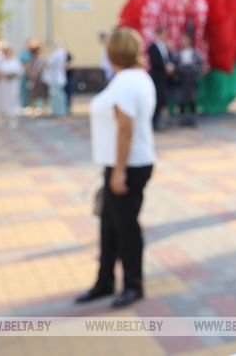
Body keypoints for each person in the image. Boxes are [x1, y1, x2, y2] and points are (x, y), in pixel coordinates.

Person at [75, 27, 156, 309]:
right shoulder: (134, 77)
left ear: (112, 52)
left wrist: (119, 171)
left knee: (125, 227)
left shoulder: (126, 82)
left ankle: (133, 285)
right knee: (109, 225)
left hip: (127, 166)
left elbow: (125, 127)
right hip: (127, 163)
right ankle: (105, 281)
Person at [171, 33, 204, 127]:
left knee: (192, 100)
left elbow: (200, 65)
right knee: (181, 100)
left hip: (192, 79)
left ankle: (192, 120)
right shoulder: (177, 54)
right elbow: (173, 65)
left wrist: (193, 69)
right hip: (181, 80)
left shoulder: (195, 53)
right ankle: (181, 120)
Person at [146, 27, 174, 131]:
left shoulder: (164, 46)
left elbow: (167, 58)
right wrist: (164, 67)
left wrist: (170, 66)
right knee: (157, 98)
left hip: (164, 77)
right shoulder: (152, 46)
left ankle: (158, 121)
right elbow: (154, 61)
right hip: (157, 76)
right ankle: (153, 122)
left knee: (163, 99)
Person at [0, 45, 24, 128]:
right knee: (4, 99)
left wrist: (12, 75)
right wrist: (4, 75)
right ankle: (4, 116)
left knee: (13, 99)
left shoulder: (16, 61)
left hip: (13, 84)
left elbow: (20, 73)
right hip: (4, 84)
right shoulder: (2, 61)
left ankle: (13, 118)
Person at [42, 42, 69, 117]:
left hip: (55, 78)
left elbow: (49, 64)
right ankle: (59, 111)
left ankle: (59, 111)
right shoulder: (62, 53)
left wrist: (44, 63)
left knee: (57, 95)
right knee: (57, 95)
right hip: (58, 78)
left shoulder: (56, 53)